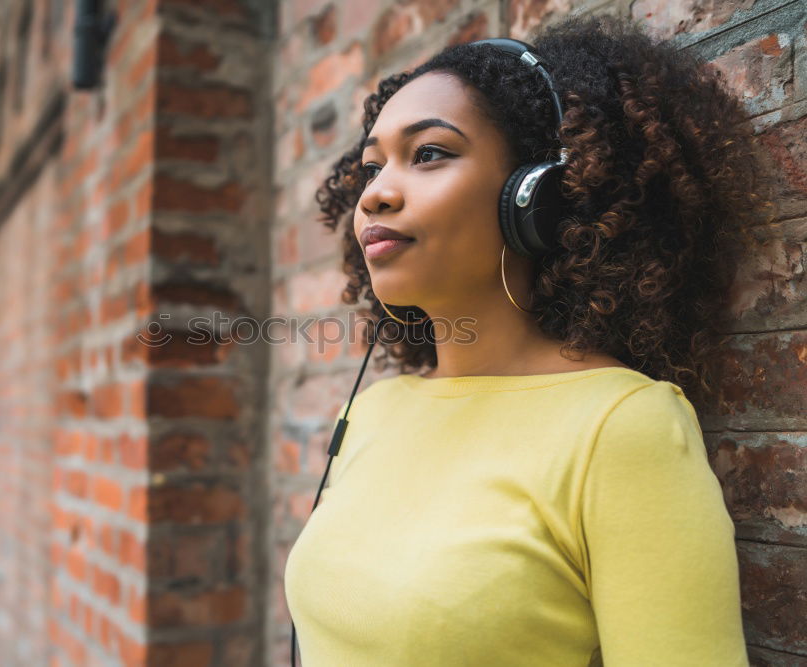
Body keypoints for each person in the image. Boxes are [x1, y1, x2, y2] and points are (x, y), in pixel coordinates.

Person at [284, 13, 771, 667]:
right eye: (372, 167)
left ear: (533, 197)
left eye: (429, 153)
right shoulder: (371, 409)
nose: (375, 195)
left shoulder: (623, 427)